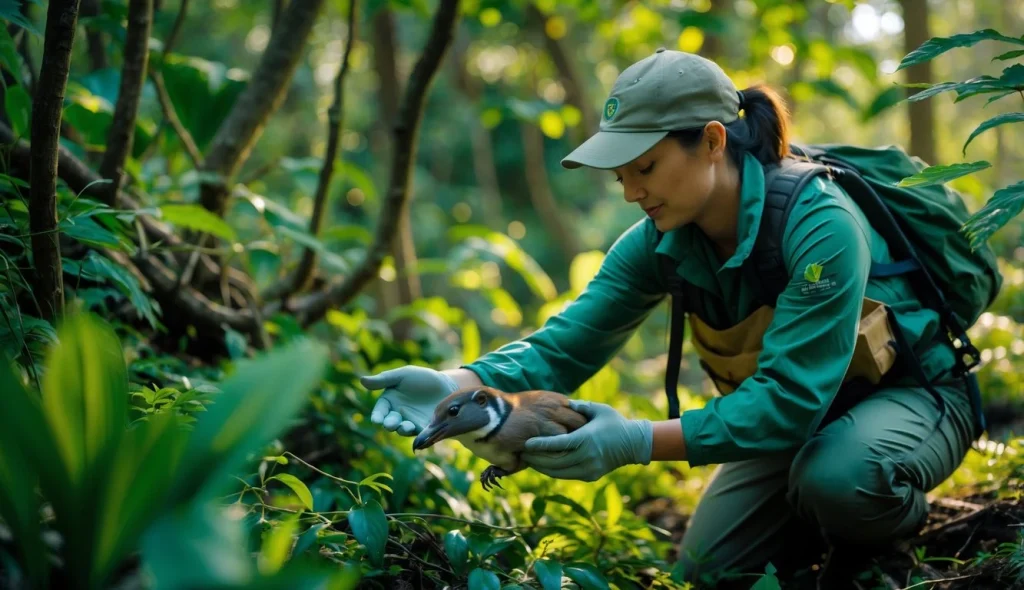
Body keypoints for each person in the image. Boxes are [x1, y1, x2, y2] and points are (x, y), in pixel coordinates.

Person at [360, 49, 979, 587]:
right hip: (791, 427)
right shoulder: (658, 238)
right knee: (707, 571)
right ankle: (815, 509)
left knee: (841, 480)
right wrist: (457, 384)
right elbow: (566, 345)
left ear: (712, 141)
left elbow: (789, 398)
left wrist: (635, 441)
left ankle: (889, 528)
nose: (632, 191)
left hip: (909, 397)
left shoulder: (820, 225)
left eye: (646, 167)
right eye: (621, 174)